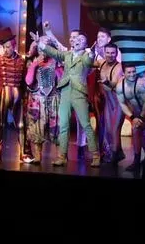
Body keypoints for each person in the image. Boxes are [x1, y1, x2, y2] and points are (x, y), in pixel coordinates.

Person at [37, 28, 101, 167]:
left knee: (86, 124)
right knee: (64, 124)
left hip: (78, 93)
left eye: (81, 40)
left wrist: (91, 53)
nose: (78, 41)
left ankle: (96, 155)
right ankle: (62, 156)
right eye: (76, 39)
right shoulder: (67, 54)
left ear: (86, 44)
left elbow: (89, 61)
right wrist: (40, 43)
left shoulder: (86, 55)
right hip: (65, 91)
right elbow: (54, 52)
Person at [0, 28, 27, 165]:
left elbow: (24, 81)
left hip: (17, 97)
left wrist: (25, 97)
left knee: (21, 125)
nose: (6, 50)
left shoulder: (21, 61)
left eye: (8, 47)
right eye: (4, 47)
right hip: (2, 95)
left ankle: (23, 153)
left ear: (14, 45)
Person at [24, 38, 60, 164]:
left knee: (56, 127)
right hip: (38, 99)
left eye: (45, 48)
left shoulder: (57, 62)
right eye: (40, 48)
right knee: (37, 127)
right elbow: (28, 81)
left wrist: (58, 67)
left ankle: (60, 157)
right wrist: (34, 65)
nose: (42, 51)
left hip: (53, 98)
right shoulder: (33, 62)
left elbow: (61, 80)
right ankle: (37, 156)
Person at [117, 62, 145, 171]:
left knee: (136, 130)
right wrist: (133, 117)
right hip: (136, 113)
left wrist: (140, 118)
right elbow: (122, 104)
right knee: (141, 133)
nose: (132, 74)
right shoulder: (120, 86)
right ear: (123, 73)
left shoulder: (141, 84)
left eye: (134, 72)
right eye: (129, 72)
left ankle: (137, 161)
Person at [95, 43, 125, 164]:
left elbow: (114, 84)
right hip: (108, 101)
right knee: (108, 129)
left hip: (119, 102)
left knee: (114, 129)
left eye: (113, 53)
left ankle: (114, 156)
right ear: (104, 52)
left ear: (116, 53)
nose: (110, 55)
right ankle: (117, 153)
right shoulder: (101, 63)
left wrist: (107, 82)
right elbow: (88, 62)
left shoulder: (119, 67)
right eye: (108, 52)